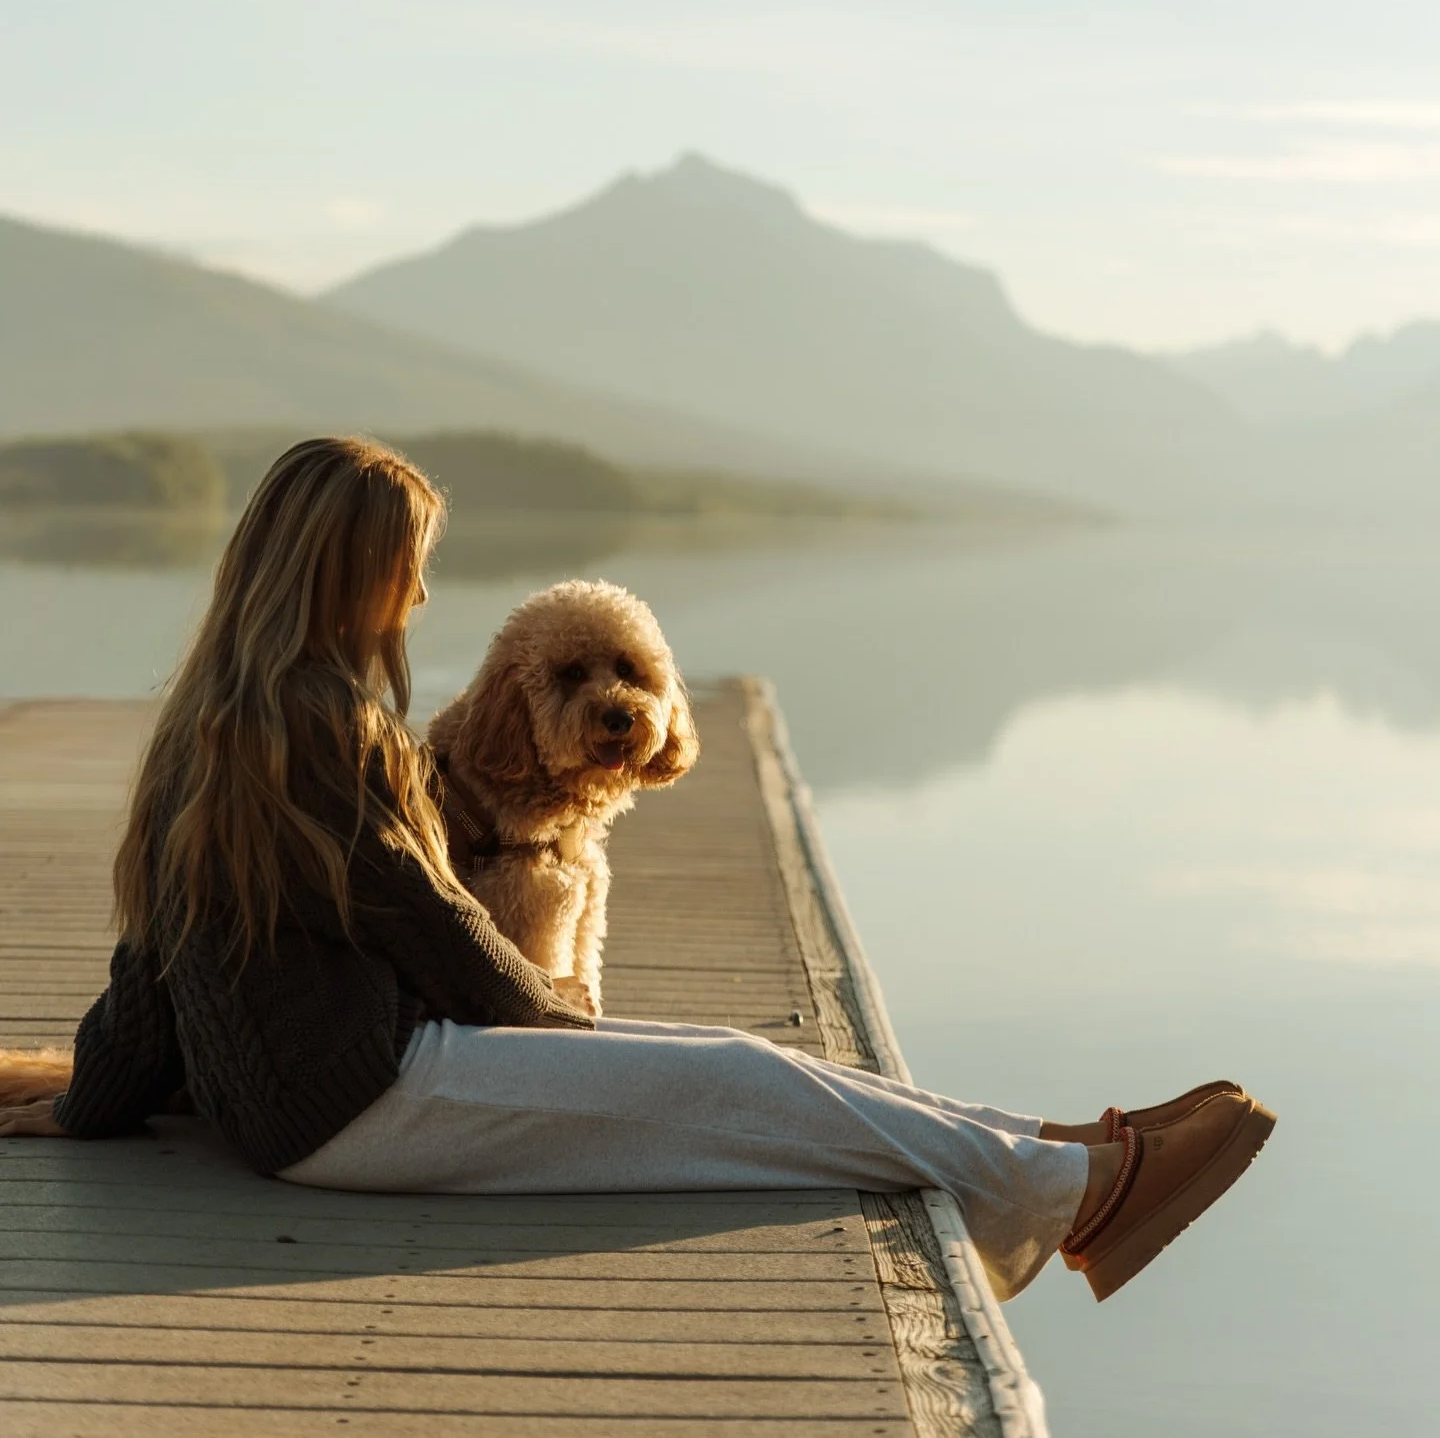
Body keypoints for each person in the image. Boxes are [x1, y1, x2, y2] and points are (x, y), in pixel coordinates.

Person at [0, 436, 1273, 1304]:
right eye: (409, 564)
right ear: (351, 572)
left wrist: (95, 1096)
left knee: (733, 1064)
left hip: (319, 1100)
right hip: (366, 1102)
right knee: (730, 1079)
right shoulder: (330, 730)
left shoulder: (208, 726)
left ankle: (1046, 1145)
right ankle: (1079, 1191)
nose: (423, 592)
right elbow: (435, 925)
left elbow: (148, 961)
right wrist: (572, 1033)